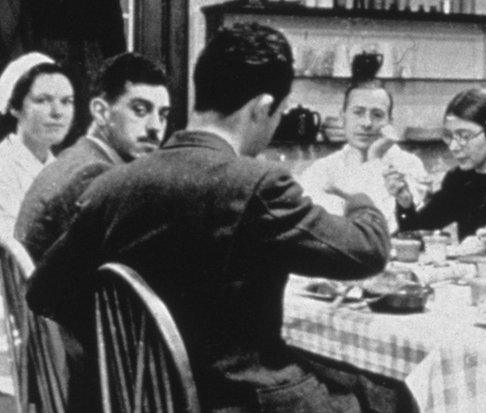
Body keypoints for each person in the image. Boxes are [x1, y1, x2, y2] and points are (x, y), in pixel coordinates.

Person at [27, 23, 390, 412]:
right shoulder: (257, 184)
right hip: (243, 400)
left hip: (142, 400)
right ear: (262, 108)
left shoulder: (113, 184)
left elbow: (43, 292)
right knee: (386, 393)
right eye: (277, 114)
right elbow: (366, 251)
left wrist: (131, 354)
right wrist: (360, 198)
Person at [16, 52, 170, 261]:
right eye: (140, 110)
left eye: (163, 115)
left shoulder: (75, 157)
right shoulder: (96, 174)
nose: (155, 127)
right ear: (100, 112)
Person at [390, 88, 486, 247]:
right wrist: (405, 203)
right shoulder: (459, 178)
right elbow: (416, 232)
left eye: (465, 136)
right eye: (449, 136)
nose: (453, 147)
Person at [298, 78, 427, 232]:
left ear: (390, 122)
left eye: (377, 115)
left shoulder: (408, 165)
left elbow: (385, 230)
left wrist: (374, 155)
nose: (366, 123)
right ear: (343, 117)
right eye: (358, 112)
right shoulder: (321, 169)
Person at [0, 52, 74, 237]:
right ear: (14, 107)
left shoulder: (59, 168)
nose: (57, 112)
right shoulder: (4, 167)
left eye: (66, 101)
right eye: (42, 100)